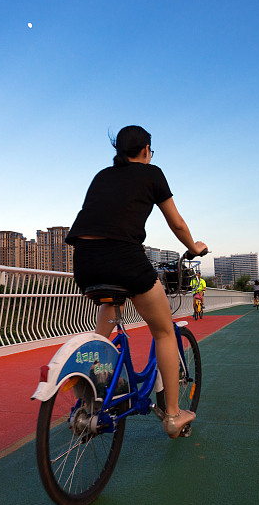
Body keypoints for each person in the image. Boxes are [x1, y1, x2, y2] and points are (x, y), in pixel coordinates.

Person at [66, 125, 208, 439]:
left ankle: (90, 397)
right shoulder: (152, 173)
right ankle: (173, 416)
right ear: (146, 150)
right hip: (124, 258)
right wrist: (194, 247)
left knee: (104, 326)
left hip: (85, 262)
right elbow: (177, 223)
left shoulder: (102, 176)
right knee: (164, 331)